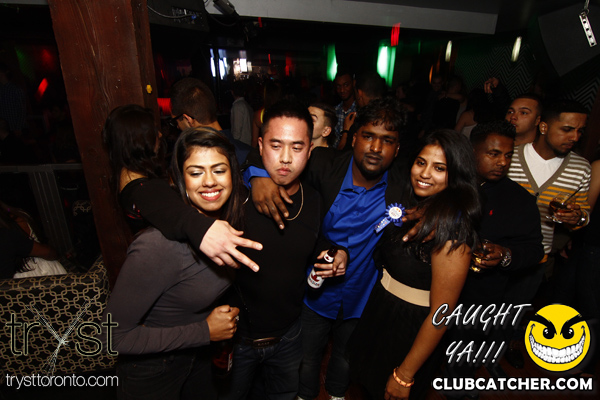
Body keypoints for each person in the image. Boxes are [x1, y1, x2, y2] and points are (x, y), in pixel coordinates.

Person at [247, 97, 406, 400]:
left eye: (387, 141)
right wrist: (258, 176)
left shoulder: (403, 184)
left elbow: (445, 190)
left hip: (362, 296)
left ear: (397, 150)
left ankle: (336, 394)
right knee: (308, 357)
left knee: (345, 356)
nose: (375, 148)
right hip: (313, 294)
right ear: (353, 137)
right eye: (368, 136)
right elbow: (269, 152)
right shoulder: (323, 164)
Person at [222, 100, 347, 400]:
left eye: (297, 147)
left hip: (289, 337)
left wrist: (337, 252)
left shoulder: (313, 199)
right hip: (237, 339)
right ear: (260, 146)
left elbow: (310, 240)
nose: (286, 158)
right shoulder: (233, 197)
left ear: (310, 149)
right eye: (276, 145)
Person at [105, 127, 243, 399]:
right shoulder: (156, 246)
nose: (209, 182)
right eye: (196, 172)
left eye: (219, 170)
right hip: (153, 371)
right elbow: (111, 337)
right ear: (179, 179)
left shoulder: (230, 225)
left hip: (198, 358)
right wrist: (204, 331)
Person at [349, 129, 481, 400]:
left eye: (439, 168)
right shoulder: (416, 204)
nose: (425, 173)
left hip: (410, 328)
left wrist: (405, 374)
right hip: (381, 311)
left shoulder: (453, 230)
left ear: (456, 174)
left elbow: (442, 314)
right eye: (421, 162)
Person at [444, 121, 544, 395]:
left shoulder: (519, 200)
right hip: (431, 286)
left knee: (463, 356)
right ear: (471, 151)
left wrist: (506, 254)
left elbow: (534, 249)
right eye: (494, 153)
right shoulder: (446, 182)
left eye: (508, 155)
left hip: (480, 294)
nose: (502, 162)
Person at [102, 104, 262, 272]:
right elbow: (154, 200)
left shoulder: (126, 177)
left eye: (219, 170)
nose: (160, 134)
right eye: (195, 173)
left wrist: (258, 176)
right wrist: (202, 229)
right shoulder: (143, 190)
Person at [505, 99, 591, 368]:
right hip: (497, 249)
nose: (575, 137)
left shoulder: (581, 168)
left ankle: (506, 346)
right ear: (543, 126)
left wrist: (577, 218)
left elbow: (583, 215)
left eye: (579, 131)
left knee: (517, 307)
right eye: (567, 129)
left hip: (537, 256)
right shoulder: (509, 156)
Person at [171, 77, 252, 165]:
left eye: (175, 121)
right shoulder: (249, 154)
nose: (177, 126)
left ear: (188, 120)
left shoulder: (189, 161)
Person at [0, 201, 60, 279]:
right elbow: (48, 253)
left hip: (37, 269)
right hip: (29, 275)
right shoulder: (7, 233)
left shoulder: (14, 221)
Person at [332, 70, 357, 148]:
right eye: (338, 86)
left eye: (346, 85)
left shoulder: (359, 110)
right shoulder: (335, 111)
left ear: (353, 83)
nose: (342, 90)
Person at [230, 80, 254, 146]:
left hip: (241, 144)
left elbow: (237, 131)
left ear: (232, 92)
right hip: (246, 143)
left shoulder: (238, 106)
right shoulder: (246, 105)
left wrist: (233, 144)